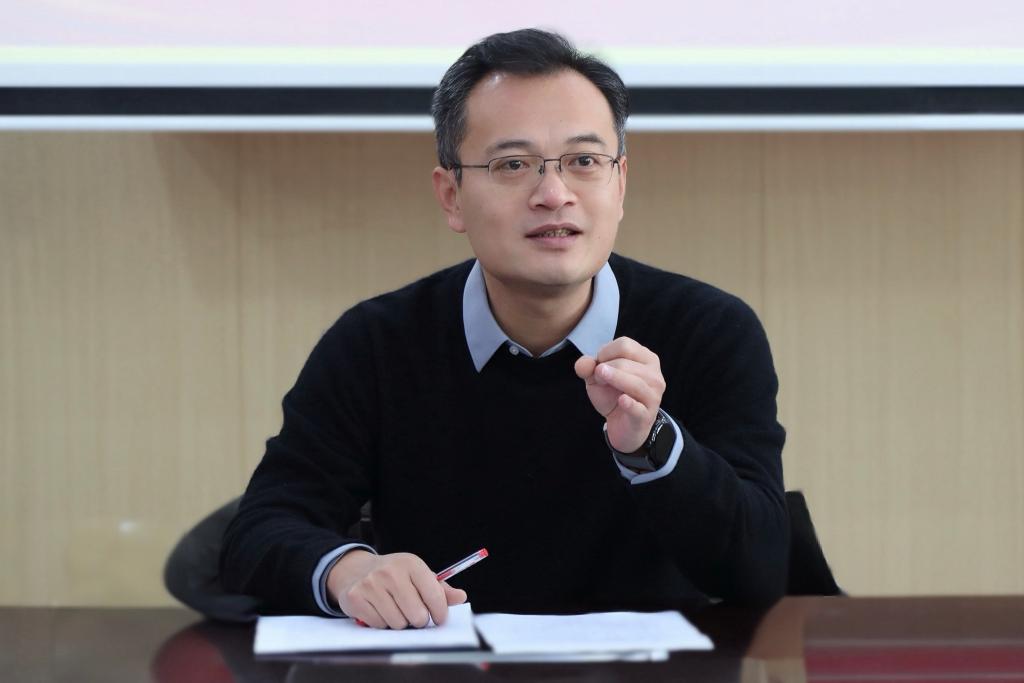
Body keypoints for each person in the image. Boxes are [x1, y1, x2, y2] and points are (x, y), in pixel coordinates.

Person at [220, 28, 788, 628]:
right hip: (445, 664)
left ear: (620, 183)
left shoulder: (709, 331)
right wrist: (347, 569)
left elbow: (760, 570)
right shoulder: (376, 345)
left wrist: (652, 445)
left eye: (584, 162)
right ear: (452, 196)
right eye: (513, 164)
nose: (554, 194)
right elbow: (258, 532)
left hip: (654, 668)